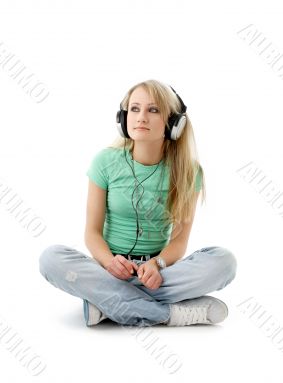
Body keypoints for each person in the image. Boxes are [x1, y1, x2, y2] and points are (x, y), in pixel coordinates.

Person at [39, 79, 237, 328]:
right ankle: (168, 314)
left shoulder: (189, 172)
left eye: (153, 110)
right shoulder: (105, 162)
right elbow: (91, 232)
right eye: (134, 109)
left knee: (224, 262)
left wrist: (157, 264)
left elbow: (179, 241)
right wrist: (110, 263)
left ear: (173, 124)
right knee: (51, 258)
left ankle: (105, 302)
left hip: (159, 273)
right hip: (109, 268)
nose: (141, 117)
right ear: (123, 118)